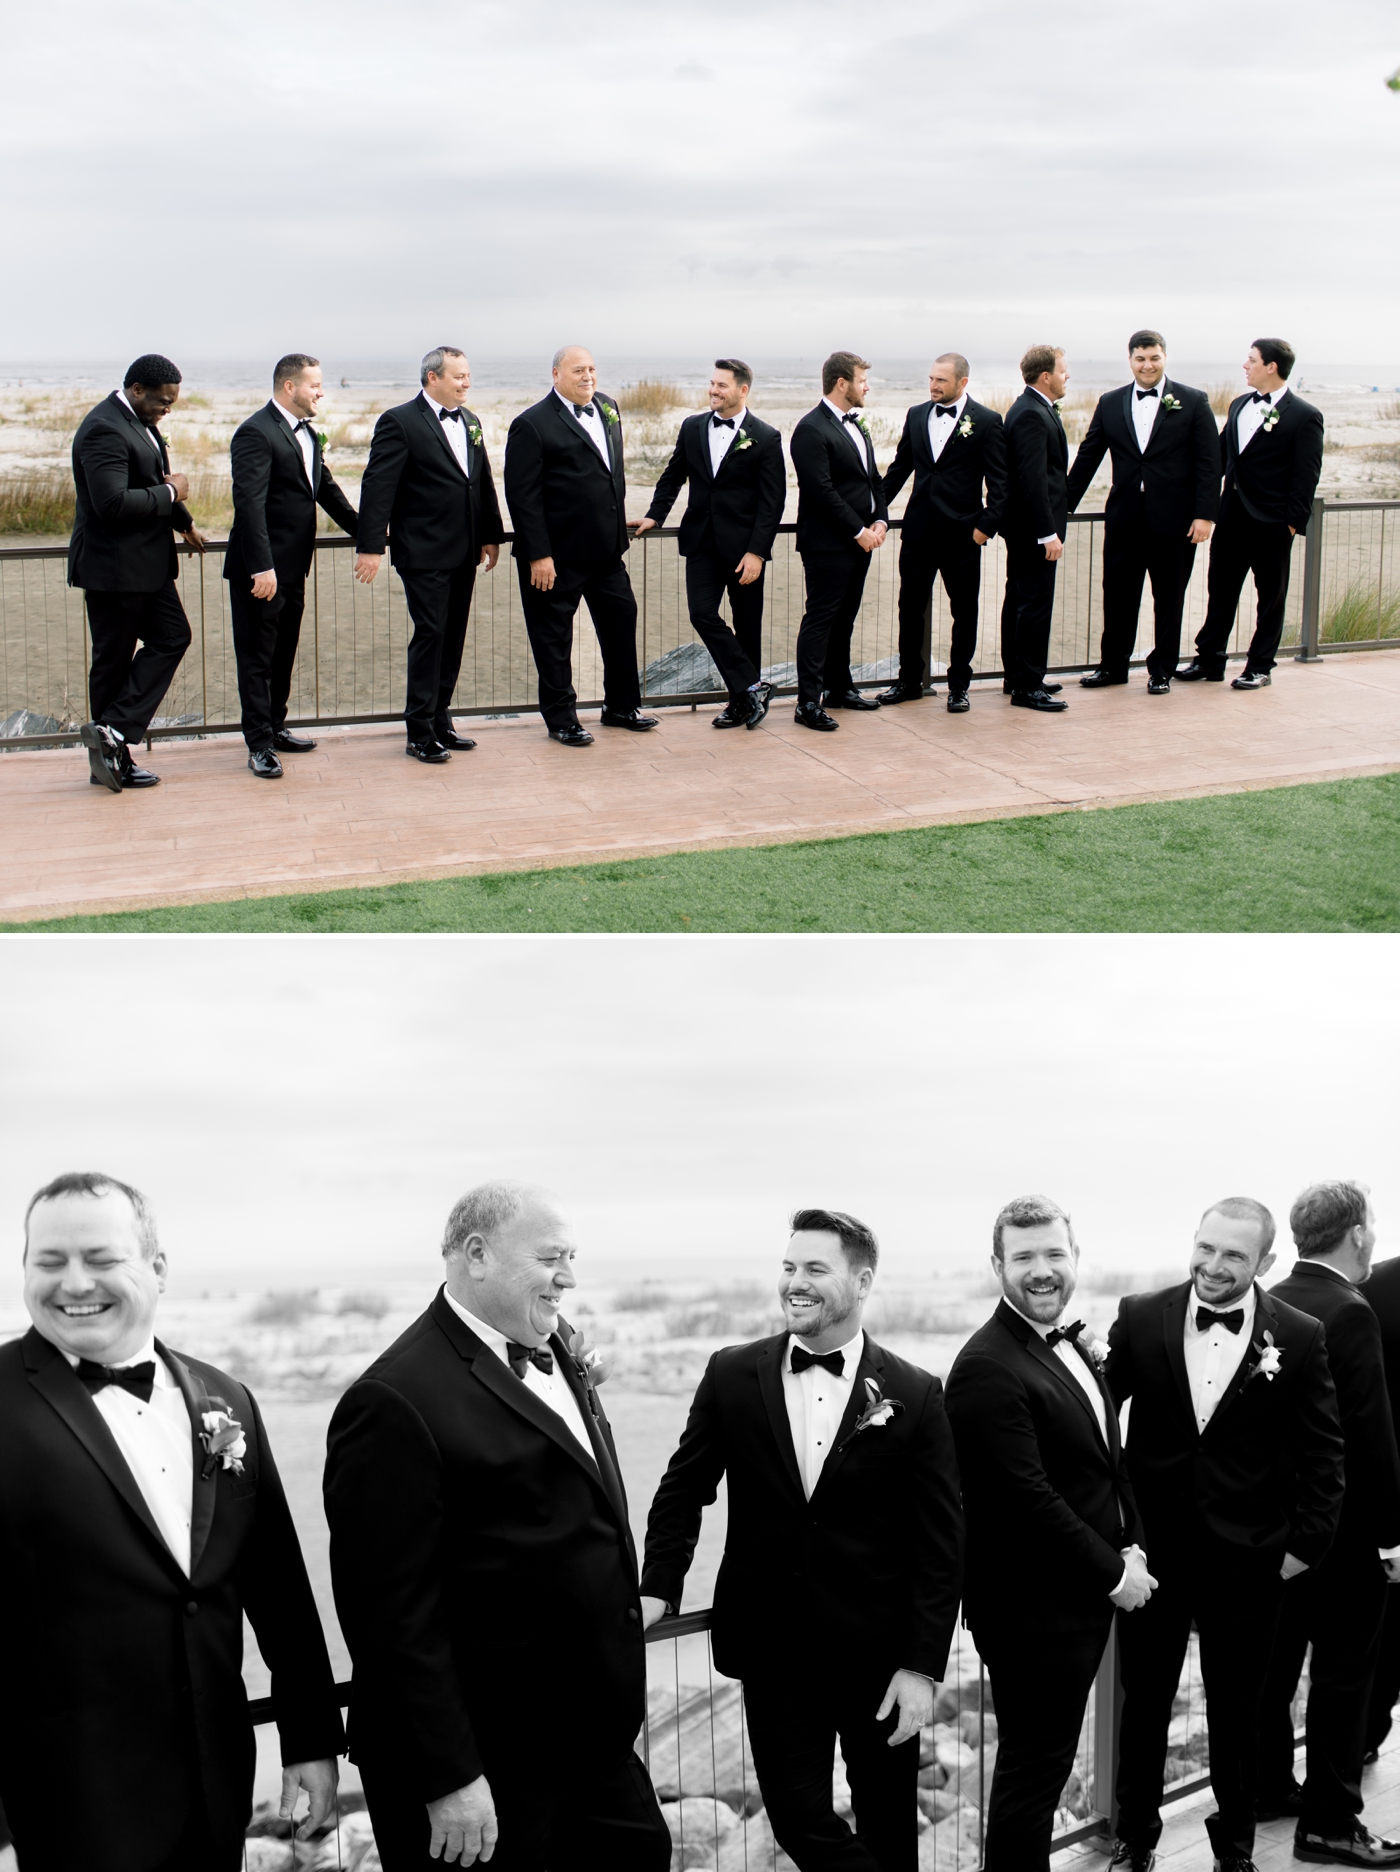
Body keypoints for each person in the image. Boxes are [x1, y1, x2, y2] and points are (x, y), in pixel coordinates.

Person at [0, 1171, 343, 1872]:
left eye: (100, 1260)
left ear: (157, 1269)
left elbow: (276, 1584)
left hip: (215, 1784)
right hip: (65, 1801)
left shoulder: (226, 1398)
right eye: (49, 1261)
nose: (72, 1282)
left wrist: (310, 1737)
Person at [324, 1181, 670, 1872]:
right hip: (484, 1768)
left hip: (589, 1747)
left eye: (571, 1255)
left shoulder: (557, 1348)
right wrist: (450, 1776)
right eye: (551, 1257)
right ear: (477, 1255)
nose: (569, 1277)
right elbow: (389, 1617)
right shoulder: (393, 1400)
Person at [641, 1208, 964, 1872]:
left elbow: (939, 1543)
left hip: (880, 1658)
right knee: (798, 1819)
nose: (795, 1283)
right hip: (773, 1649)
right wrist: (657, 1587)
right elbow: (683, 1490)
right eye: (788, 1268)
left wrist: (922, 1665)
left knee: (889, 1827)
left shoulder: (915, 1393)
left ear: (862, 1280)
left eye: (815, 1269)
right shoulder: (732, 1374)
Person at [1104, 1197, 1345, 1872]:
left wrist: (1305, 1548)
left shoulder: (1299, 1334)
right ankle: (1134, 1836)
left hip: (1252, 1561)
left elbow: (1327, 1453)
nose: (1213, 1266)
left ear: (1265, 1261)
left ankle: (1235, 1848)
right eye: (1205, 1248)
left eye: (1233, 1255)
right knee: (1144, 1706)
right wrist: (1112, 1530)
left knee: (1237, 1714)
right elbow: (1095, 1419)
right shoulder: (1140, 1315)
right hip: (1152, 1556)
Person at [945, 1194, 1152, 1872]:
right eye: (1024, 1256)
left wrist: (1133, 1542)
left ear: (1075, 1258)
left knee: (1044, 1767)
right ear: (998, 1266)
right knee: (1033, 1778)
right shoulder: (986, 1366)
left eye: (1053, 1254)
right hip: (1033, 1609)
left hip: (1078, 1595)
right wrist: (1117, 1575)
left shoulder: (1069, 1346)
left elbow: (1106, 1465)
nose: (1042, 1270)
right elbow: (1024, 1498)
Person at [1257, 1182, 1400, 1867]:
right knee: (1345, 1680)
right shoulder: (1351, 1310)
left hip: (1274, 1536)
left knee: (1276, 1672)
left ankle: (1267, 1790)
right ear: (1357, 1234)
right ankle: (1331, 1825)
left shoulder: (1269, 1302)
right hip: (1341, 1537)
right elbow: (1370, 1438)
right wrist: (1393, 1535)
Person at [354, 347, 504, 763]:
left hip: (465, 550)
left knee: (452, 637)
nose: (467, 383)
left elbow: (482, 481)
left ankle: (441, 719)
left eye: (469, 376)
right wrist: (370, 546)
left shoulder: (470, 422)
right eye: (459, 376)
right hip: (422, 552)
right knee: (431, 634)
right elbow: (377, 487)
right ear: (432, 378)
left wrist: (491, 534)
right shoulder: (399, 421)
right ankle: (418, 730)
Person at [503, 347, 657, 746]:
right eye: (578, 370)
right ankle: (561, 720)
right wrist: (539, 554)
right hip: (556, 558)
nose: (588, 376)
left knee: (622, 623)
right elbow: (522, 496)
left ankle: (621, 707)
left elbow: (607, 475)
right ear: (556, 374)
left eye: (591, 369)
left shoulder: (608, 407)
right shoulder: (531, 424)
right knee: (554, 641)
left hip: (607, 552)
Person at [68, 354, 207, 791]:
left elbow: (148, 474)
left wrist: (182, 522)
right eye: (163, 402)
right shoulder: (103, 429)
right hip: (113, 569)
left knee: (173, 636)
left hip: (146, 567)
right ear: (137, 390)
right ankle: (112, 759)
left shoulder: (139, 420)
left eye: (172, 403)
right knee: (112, 663)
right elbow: (112, 504)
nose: (168, 409)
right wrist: (171, 491)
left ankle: (111, 731)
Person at [224, 353, 359, 778]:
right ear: (289, 387)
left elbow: (327, 490)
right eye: (315, 385)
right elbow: (248, 504)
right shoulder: (255, 432)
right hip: (260, 572)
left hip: (295, 567)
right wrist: (261, 567)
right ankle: (259, 744)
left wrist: (370, 535)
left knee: (283, 653)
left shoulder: (307, 433)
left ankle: (276, 727)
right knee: (257, 658)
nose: (322, 391)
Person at [1064, 330, 1220, 695]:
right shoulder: (1110, 402)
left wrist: (1205, 514)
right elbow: (1088, 457)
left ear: (1164, 357)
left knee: (1169, 598)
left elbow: (1209, 463)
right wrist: (1060, 508)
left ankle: (1161, 669)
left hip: (1177, 521)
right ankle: (1113, 667)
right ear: (1130, 360)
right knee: (1118, 596)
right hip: (1124, 519)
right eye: (1140, 359)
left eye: (1153, 358)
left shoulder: (1193, 401)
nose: (1147, 365)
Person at [635, 358, 785, 729]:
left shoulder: (766, 437)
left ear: (742, 390)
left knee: (748, 627)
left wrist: (757, 552)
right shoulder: (693, 427)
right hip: (700, 542)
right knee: (701, 613)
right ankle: (752, 686)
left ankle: (741, 704)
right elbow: (672, 477)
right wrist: (656, 515)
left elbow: (772, 502)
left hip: (744, 550)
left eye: (722, 385)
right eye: (712, 384)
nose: (713, 391)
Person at [1177, 339, 1325, 690]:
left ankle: (1260, 666)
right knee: (1220, 592)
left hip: (1273, 524)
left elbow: (1307, 476)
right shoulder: (1239, 404)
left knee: (1270, 599)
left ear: (1271, 366)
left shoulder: (1305, 416)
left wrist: (1291, 524)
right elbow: (1220, 458)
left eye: (1251, 360)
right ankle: (1210, 660)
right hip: (1230, 518)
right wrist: (1205, 507)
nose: (1245, 365)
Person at [877, 352, 1007, 713]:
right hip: (918, 533)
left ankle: (958, 687)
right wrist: (874, 513)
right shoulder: (916, 415)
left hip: (963, 536)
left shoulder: (986, 421)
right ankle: (908, 682)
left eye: (941, 381)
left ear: (962, 383)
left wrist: (984, 528)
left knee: (963, 613)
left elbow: (1000, 484)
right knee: (909, 609)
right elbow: (900, 469)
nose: (933, 386)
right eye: (931, 379)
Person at [788, 353, 891, 731]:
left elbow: (873, 479)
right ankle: (807, 703)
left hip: (861, 541)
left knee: (844, 619)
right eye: (862, 379)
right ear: (842, 383)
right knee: (820, 620)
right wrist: (857, 530)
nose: (867, 386)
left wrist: (880, 519)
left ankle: (839, 688)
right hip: (828, 544)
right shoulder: (810, 429)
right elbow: (820, 491)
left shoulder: (857, 426)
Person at [1000, 345, 1071, 712]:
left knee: (1020, 601)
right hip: (1033, 529)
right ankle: (1026, 686)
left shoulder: (1033, 407)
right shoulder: (1029, 413)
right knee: (1033, 605)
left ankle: (1019, 676)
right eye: (1063, 370)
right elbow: (1033, 479)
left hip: (1027, 527)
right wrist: (1047, 532)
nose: (1066, 376)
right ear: (1046, 376)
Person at [1365, 1249, 1400, 1759]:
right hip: (1389, 1493)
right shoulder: (1375, 1288)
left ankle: (1363, 1739)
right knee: (1386, 1638)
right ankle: (1363, 1738)